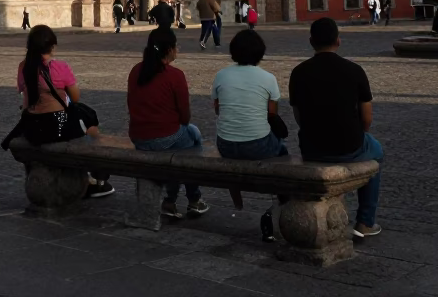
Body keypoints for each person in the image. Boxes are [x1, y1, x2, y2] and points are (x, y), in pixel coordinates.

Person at [290, 18, 383, 238]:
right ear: (338, 41)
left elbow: (298, 116)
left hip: (311, 147)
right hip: (349, 144)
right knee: (377, 153)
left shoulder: (298, 72)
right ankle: (365, 222)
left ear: (311, 41)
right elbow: (367, 119)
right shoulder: (355, 70)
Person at [16, 25, 114, 197]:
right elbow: (75, 98)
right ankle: (96, 178)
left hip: (31, 126)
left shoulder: (23, 67)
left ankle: (90, 177)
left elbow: (24, 94)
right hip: (56, 124)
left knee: (83, 118)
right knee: (90, 128)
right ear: (52, 46)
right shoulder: (60, 67)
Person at [212, 29, 286, 242]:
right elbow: (272, 114)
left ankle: (236, 197)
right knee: (282, 150)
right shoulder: (268, 78)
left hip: (225, 144)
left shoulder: (221, 75)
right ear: (260, 53)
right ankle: (282, 198)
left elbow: (218, 109)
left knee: (234, 146)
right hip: (258, 145)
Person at [127, 27, 209, 219]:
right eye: (176, 46)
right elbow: (185, 116)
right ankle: (192, 199)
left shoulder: (136, 71)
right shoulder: (175, 75)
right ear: (170, 49)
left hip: (139, 137)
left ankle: (171, 201)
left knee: (185, 141)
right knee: (192, 141)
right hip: (164, 137)